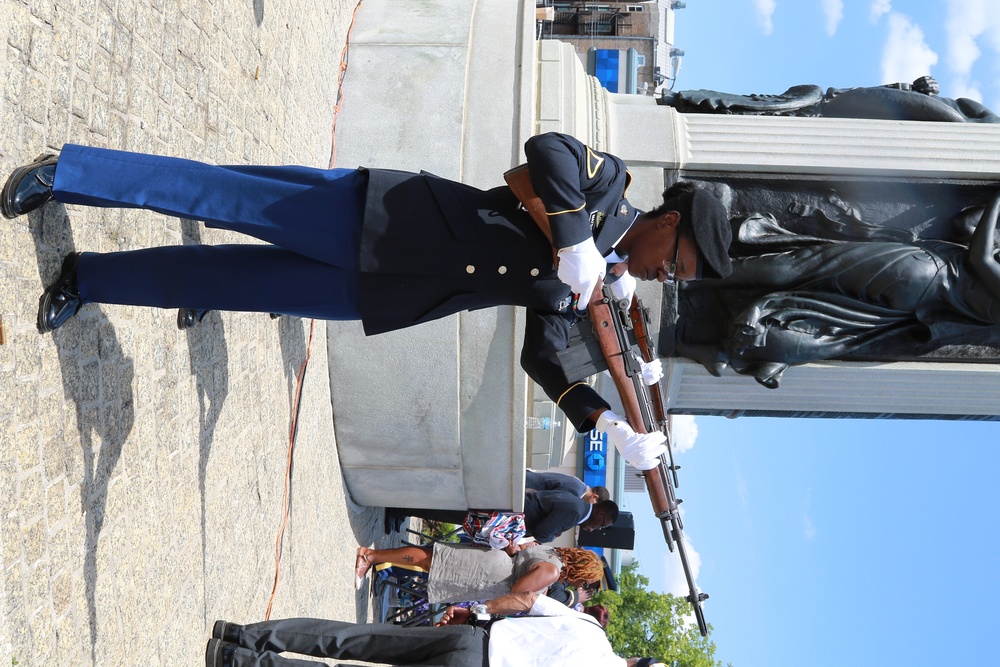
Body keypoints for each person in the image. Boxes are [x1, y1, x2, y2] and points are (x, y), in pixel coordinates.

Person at [1, 134, 732, 460]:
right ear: (669, 221)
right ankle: (70, 170)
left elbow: (546, 358)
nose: (672, 277)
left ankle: (89, 277)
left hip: (386, 293)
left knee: (223, 283)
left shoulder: (598, 290)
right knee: (219, 197)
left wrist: (607, 424)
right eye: (682, 262)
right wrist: (575, 237)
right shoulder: (608, 193)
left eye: (682, 279)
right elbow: (549, 152)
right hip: (386, 217)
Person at [678, 193, 1000, 387]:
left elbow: (979, 256)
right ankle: (725, 344)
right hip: (906, 306)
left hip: (920, 270)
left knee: (802, 266)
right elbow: (964, 226)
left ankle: (696, 276)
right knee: (808, 307)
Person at [204, 591, 664, 667]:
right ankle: (234, 660)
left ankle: (240, 633)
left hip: (473, 638)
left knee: (353, 638)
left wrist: (474, 611)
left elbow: (528, 601)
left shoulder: (591, 630)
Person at [353, 542, 603, 603]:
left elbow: (520, 549)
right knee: (430, 561)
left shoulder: (554, 552)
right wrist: (535, 598)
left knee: (431, 557)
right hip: (488, 573)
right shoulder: (552, 571)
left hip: (491, 560)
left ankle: (374, 557)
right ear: (581, 571)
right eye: (584, 579)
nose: (579, 583)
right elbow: (518, 590)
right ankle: (370, 556)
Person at [386, 493, 619, 544]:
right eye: (603, 525)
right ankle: (399, 506)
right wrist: (551, 536)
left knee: (454, 512)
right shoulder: (577, 513)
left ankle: (404, 509)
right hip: (504, 516)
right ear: (600, 513)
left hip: (505, 512)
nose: (598, 528)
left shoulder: (577, 505)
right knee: (453, 512)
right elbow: (544, 531)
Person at [524, 470, 610, 504]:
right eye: (594, 504)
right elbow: (547, 498)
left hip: (527, 479)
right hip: (525, 485)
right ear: (595, 496)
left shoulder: (579, 484)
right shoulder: (576, 492)